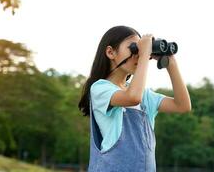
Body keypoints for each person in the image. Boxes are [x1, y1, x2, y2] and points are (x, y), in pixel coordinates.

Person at [78, 25, 191, 172]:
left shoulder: (144, 95)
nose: (138, 54)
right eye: (134, 48)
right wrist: (144, 54)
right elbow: (132, 98)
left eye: (140, 49)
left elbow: (182, 105)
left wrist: (171, 62)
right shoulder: (100, 89)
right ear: (110, 52)